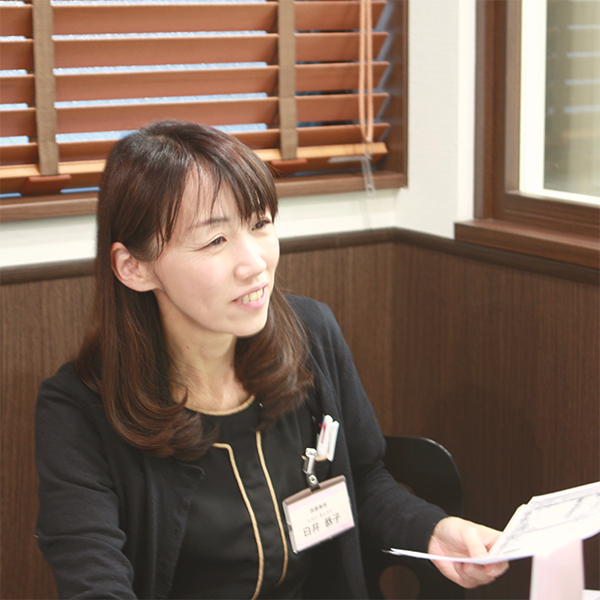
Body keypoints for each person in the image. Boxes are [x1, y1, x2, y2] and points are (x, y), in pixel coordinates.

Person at [35, 120, 508, 599]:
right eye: (215, 240)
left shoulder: (311, 334)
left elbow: (363, 479)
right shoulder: (78, 411)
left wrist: (432, 529)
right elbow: (95, 583)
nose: (255, 263)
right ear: (134, 268)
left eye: (260, 224)